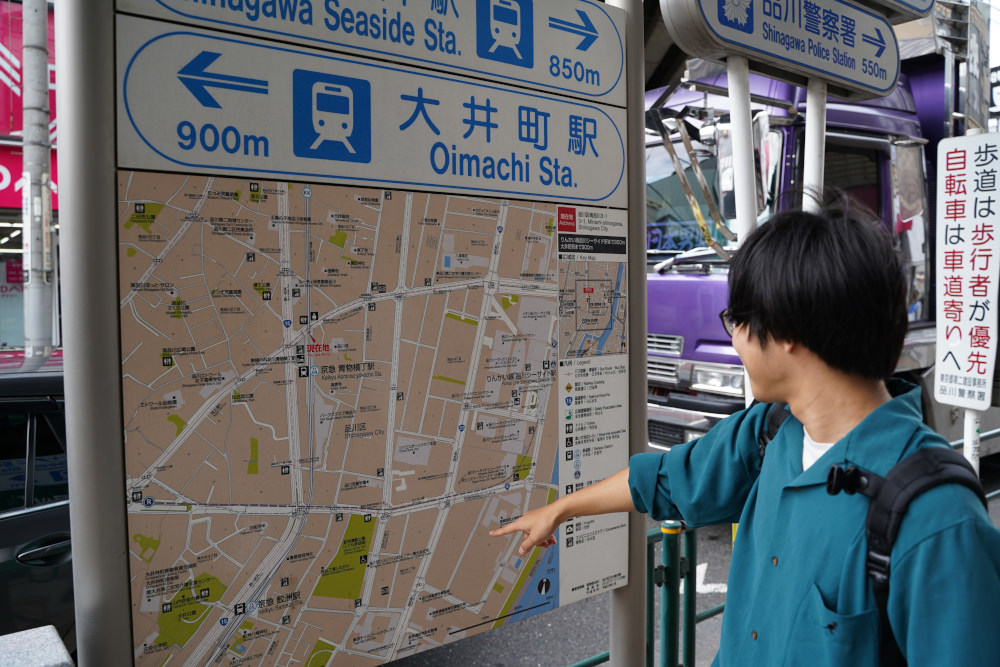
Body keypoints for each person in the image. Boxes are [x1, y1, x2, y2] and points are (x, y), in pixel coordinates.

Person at [490, 195, 1000, 666]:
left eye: (738, 319)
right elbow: (667, 479)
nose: (733, 337)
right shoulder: (772, 429)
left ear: (789, 330)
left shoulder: (938, 519)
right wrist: (561, 509)